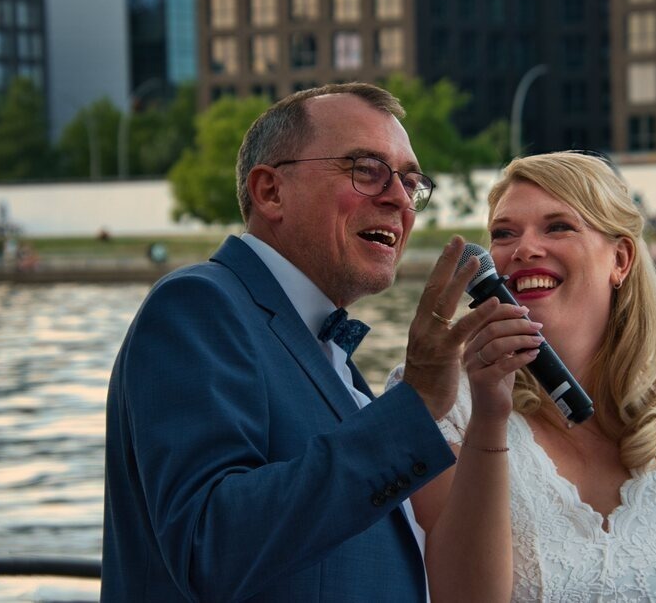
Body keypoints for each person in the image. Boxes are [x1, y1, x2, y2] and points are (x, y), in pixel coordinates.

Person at [100, 82, 531, 601]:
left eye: (411, 182)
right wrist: (412, 406)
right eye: (366, 170)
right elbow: (209, 546)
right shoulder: (198, 305)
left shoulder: (328, 352)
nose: (399, 198)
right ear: (270, 191)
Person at [399, 152, 656, 601]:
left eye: (557, 226)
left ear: (620, 259)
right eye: (504, 233)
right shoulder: (441, 402)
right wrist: (489, 415)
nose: (524, 248)